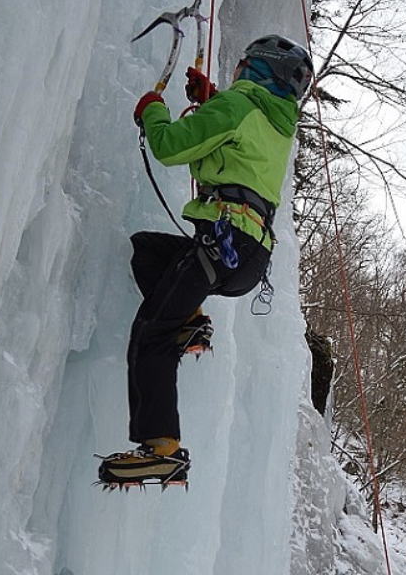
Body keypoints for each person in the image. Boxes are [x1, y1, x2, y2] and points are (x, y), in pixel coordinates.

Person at [97, 35, 314, 488]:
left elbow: (171, 146)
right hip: (245, 257)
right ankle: (191, 322)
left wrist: (153, 110)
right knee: (149, 252)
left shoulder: (239, 106)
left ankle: (162, 448)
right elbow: (236, 145)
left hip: (223, 242)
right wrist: (210, 100)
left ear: (253, 70)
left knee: (151, 334)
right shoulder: (276, 124)